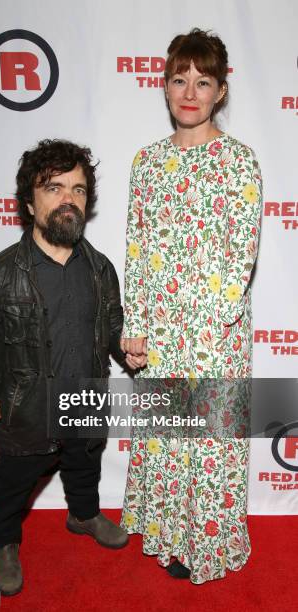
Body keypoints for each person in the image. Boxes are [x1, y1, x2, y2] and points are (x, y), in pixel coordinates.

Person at [0, 139, 142, 596]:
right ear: (30, 202)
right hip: (28, 399)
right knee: (15, 479)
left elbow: (113, 323)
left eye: (79, 190)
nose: (69, 199)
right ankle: (3, 542)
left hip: (86, 393)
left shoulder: (101, 269)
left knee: (84, 462)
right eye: (54, 187)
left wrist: (127, 349)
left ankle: (83, 514)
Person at [120, 29, 263, 584]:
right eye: (179, 79)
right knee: (166, 436)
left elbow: (240, 258)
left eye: (203, 81)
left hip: (214, 336)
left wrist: (206, 330)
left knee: (209, 445)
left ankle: (206, 544)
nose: (190, 91)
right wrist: (136, 327)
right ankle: (168, 535)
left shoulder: (239, 162)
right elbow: (138, 249)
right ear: (164, 85)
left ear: (221, 91)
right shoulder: (147, 163)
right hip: (158, 332)